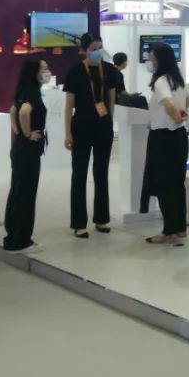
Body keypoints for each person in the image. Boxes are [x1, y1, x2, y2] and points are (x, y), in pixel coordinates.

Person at [64, 33, 116, 238]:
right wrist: (67, 132)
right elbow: (69, 105)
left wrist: (109, 122)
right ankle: (79, 223)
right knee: (79, 175)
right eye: (93, 49)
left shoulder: (109, 70)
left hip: (103, 128)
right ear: (84, 50)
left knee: (101, 174)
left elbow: (111, 99)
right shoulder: (75, 72)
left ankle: (102, 219)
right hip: (81, 128)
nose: (98, 52)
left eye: (100, 47)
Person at [141, 43, 189, 245]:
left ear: (160, 60)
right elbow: (188, 101)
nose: (150, 61)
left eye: (152, 58)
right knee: (177, 184)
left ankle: (168, 230)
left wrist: (176, 117)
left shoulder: (161, 81)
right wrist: (181, 117)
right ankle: (179, 228)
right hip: (178, 137)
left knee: (164, 185)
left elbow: (169, 103)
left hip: (163, 138)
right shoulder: (177, 79)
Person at [3, 58, 49, 251]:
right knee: (26, 193)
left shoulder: (24, 90)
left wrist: (18, 132)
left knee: (18, 190)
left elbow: (12, 111)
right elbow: (23, 112)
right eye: (44, 68)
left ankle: (13, 233)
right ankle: (21, 238)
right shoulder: (32, 93)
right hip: (28, 150)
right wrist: (28, 134)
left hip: (20, 148)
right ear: (35, 72)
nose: (47, 72)